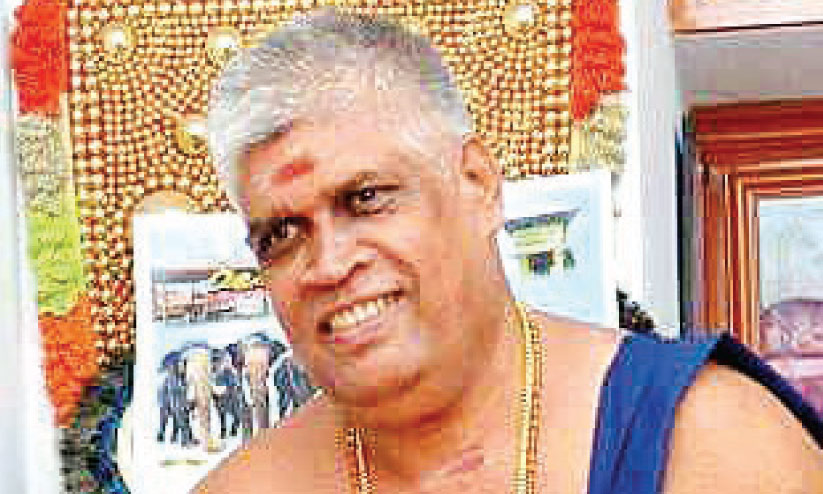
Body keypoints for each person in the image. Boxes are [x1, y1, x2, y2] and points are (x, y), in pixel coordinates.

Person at [195, 8, 823, 494]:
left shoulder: (710, 437)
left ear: (478, 185)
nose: (329, 265)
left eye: (365, 198)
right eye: (281, 236)